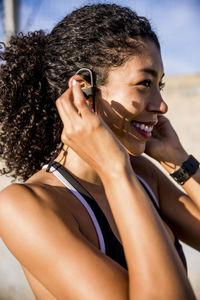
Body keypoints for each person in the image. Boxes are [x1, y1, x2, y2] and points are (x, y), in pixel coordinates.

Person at [0, 3, 199, 299]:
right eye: (145, 83)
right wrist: (115, 171)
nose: (162, 105)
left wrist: (179, 162)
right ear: (83, 90)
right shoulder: (25, 205)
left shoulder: (141, 173)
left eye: (161, 84)